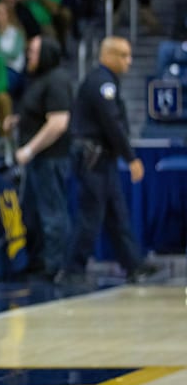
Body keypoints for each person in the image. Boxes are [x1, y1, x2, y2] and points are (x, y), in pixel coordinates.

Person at [60, 37, 157, 284]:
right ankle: (72, 270)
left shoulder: (106, 81)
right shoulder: (101, 83)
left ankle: (133, 264)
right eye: (123, 55)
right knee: (90, 216)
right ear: (108, 56)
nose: (129, 61)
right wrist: (131, 158)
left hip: (104, 160)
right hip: (94, 159)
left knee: (117, 214)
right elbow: (112, 123)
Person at [9, 37, 73, 279]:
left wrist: (29, 150)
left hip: (50, 158)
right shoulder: (38, 79)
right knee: (34, 213)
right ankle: (37, 260)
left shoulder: (57, 80)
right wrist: (18, 121)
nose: (29, 56)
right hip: (38, 161)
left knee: (52, 213)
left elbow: (58, 123)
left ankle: (55, 266)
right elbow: (37, 113)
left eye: (34, 52)